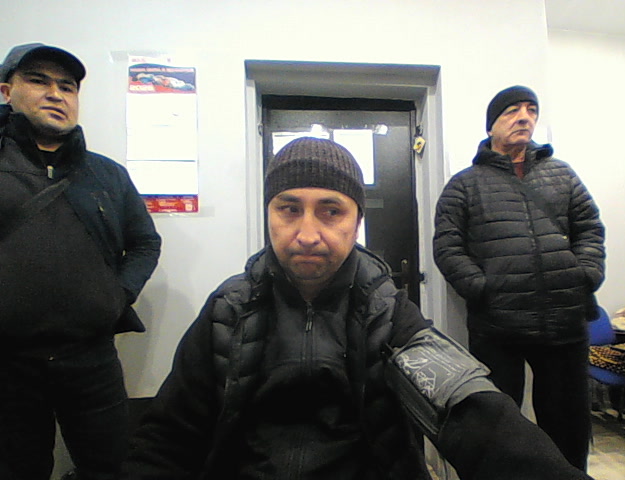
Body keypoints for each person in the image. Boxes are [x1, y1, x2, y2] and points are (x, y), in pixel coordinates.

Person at [123, 136, 593, 480]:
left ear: (357, 221)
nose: (308, 234)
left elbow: (472, 414)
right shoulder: (227, 311)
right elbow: (166, 441)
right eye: (289, 209)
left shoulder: (389, 314)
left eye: (331, 211)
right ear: (268, 213)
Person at [0, 43, 161, 480]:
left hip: (91, 359)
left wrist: (116, 296)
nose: (56, 94)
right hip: (9, 364)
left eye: (67, 86)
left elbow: (145, 243)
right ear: (7, 92)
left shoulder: (106, 175)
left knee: (110, 466)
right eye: (39, 81)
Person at [433, 85, 605, 471]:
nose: (524, 117)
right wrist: (482, 289)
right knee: (498, 427)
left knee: (568, 427)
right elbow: (447, 247)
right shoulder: (464, 184)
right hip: (498, 325)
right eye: (512, 111)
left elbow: (590, 229)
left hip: (564, 320)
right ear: (491, 125)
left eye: (531, 110)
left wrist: (586, 274)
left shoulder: (563, 175)